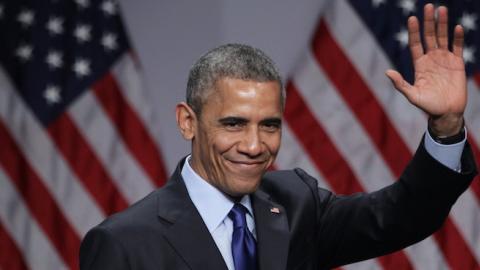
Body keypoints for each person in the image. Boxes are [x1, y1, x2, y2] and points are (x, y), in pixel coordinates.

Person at [80, 4, 477, 270]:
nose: (255, 146)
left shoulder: (294, 202)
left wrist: (445, 127)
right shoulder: (124, 244)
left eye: (269, 125)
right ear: (188, 122)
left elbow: (398, 217)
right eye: (234, 124)